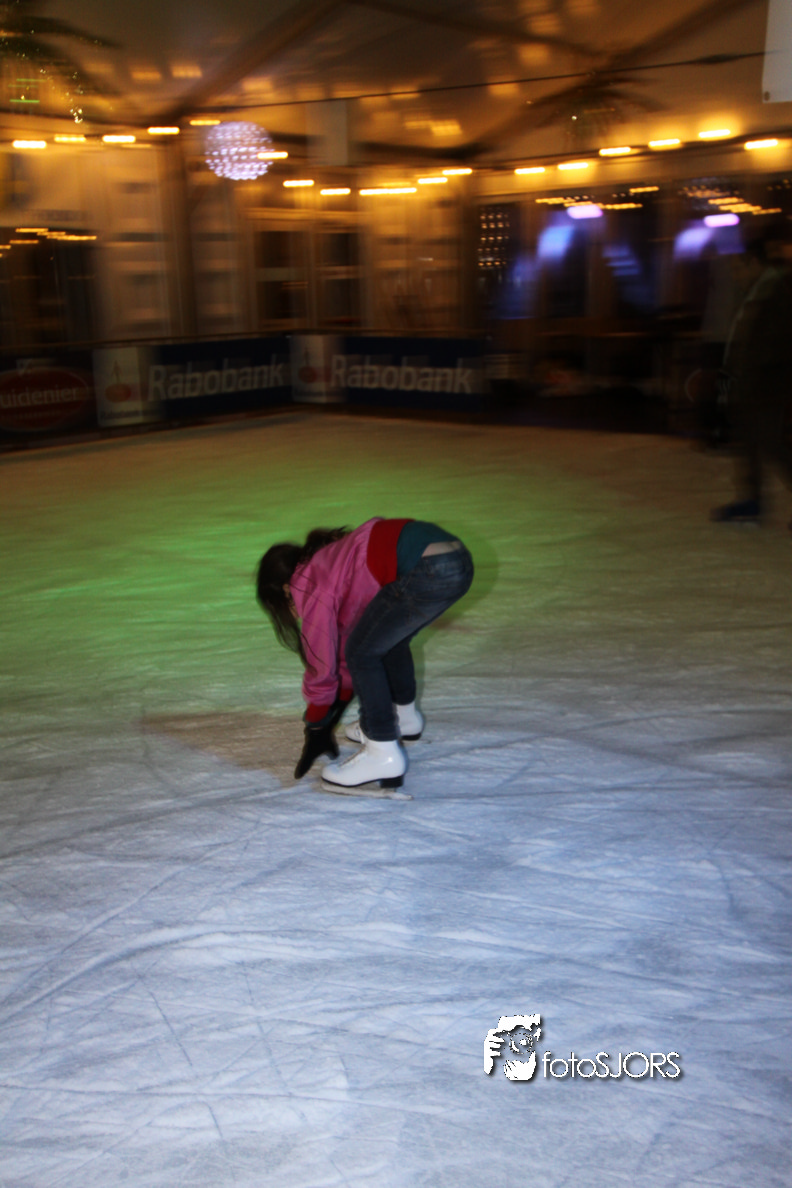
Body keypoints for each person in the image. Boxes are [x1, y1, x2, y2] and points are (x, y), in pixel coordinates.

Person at [256, 518, 474, 790]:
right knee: (387, 641)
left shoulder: (307, 583)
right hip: (457, 560)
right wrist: (336, 706)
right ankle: (404, 719)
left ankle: (381, 752)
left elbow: (321, 661)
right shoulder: (330, 563)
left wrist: (316, 724)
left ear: (285, 589)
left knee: (363, 654)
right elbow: (350, 642)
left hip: (429, 567)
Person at [711, 236, 792, 524]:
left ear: (754, 262)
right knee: (749, 438)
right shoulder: (759, 289)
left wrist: (754, 376)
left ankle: (752, 499)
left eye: (738, 268)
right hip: (753, 381)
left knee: (771, 441)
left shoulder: (778, 290)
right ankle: (751, 499)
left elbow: (774, 343)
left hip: (770, 381)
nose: (735, 276)